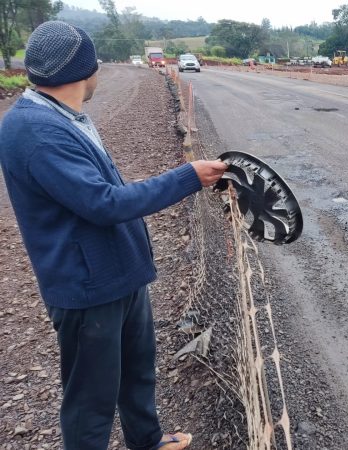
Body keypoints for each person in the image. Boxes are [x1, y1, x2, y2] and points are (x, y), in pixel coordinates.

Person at [0, 21, 227, 450]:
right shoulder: (35, 131)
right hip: (88, 288)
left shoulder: (62, 116)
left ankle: (148, 440)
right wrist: (189, 177)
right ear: (82, 71)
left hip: (117, 274)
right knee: (91, 401)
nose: (97, 73)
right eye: (95, 65)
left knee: (137, 370)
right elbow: (104, 203)